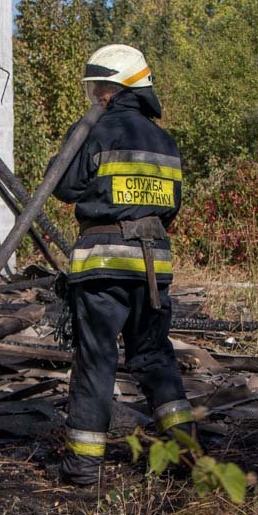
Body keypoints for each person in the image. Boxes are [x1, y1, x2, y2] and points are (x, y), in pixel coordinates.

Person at [51, 44, 199, 486]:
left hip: (103, 265)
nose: (94, 94)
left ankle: (82, 468)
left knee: (97, 360)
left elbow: (63, 186)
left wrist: (83, 130)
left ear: (117, 89)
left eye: (99, 87)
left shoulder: (95, 130)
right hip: (153, 266)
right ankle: (187, 457)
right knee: (154, 356)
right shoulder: (165, 140)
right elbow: (171, 206)